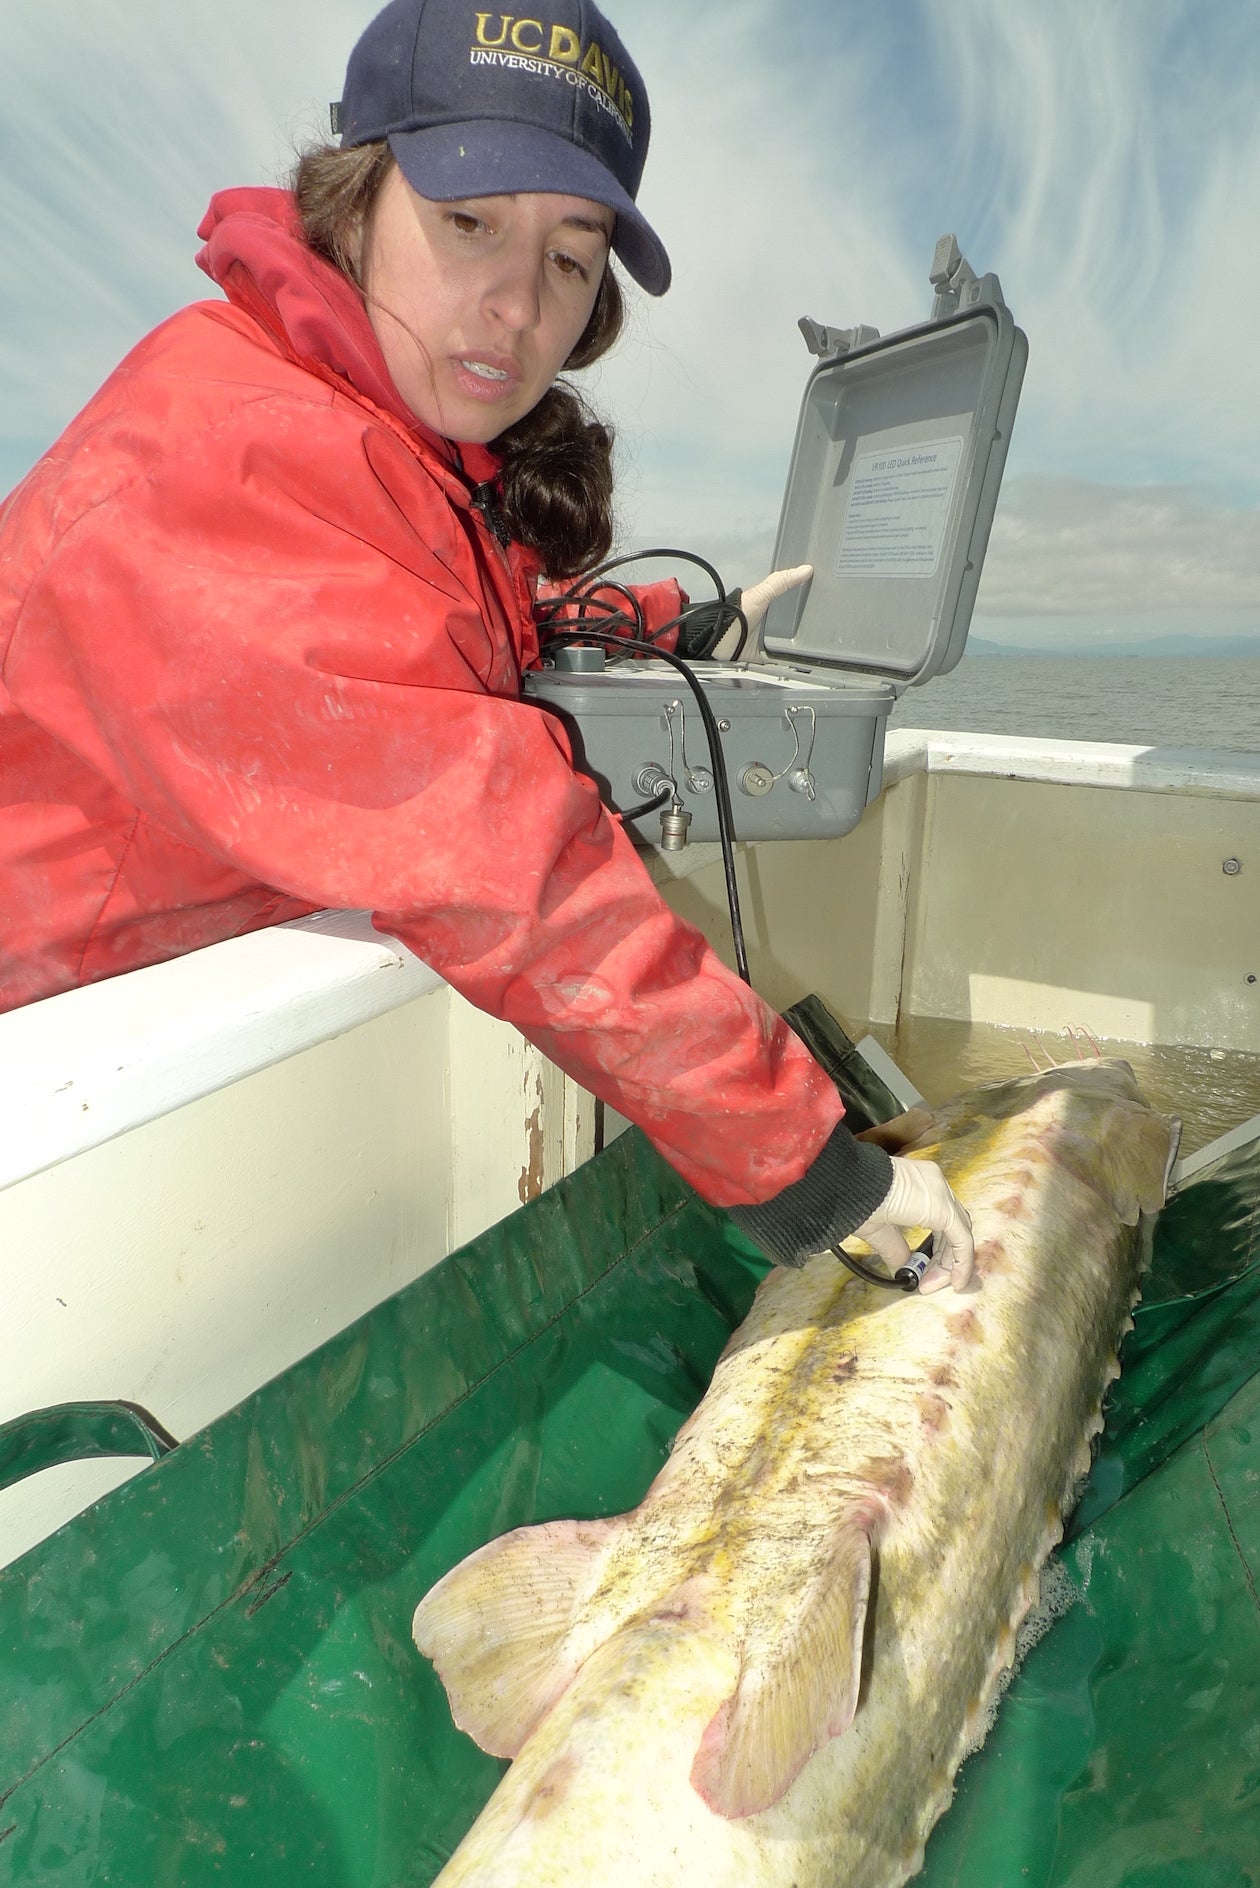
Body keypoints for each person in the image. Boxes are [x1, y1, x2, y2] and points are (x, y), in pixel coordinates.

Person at [0, 0, 973, 1289]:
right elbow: (487, 839)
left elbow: (445, 625)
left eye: (571, 260)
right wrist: (814, 1168)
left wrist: (677, 622)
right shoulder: (225, 454)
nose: (517, 305)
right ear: (351, 202)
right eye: (470, 223)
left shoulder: (366, 432)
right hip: (68, 1082)